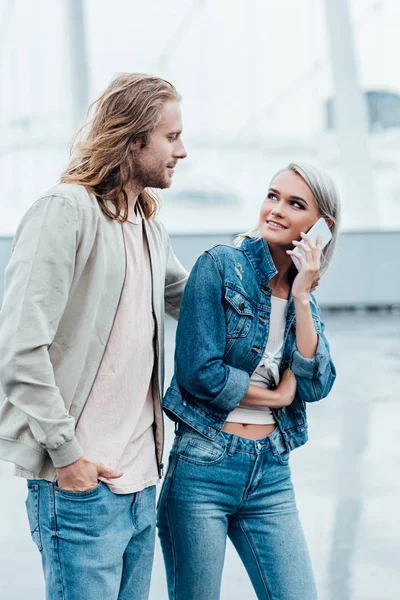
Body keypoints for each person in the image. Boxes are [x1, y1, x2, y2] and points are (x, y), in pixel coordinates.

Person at [0, 73, 188, 600]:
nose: (182, 150)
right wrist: (67, 455)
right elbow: (18, 349)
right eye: (171, 138)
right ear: (134, 140)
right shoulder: (65, 212)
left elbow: (193, 300)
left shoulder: (149, 225)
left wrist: (282, 274)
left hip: (139, 485)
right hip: (81, 488)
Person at [157, 162, 340, 600]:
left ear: (321, 227)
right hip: (204, 466)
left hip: (272, 471)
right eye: (272, 196)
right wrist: (276, 395)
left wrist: (300, 296)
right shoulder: (220, 266)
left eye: (295, 204)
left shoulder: (305, 298)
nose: (275, 209)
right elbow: (198, 372)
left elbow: (317, 386)